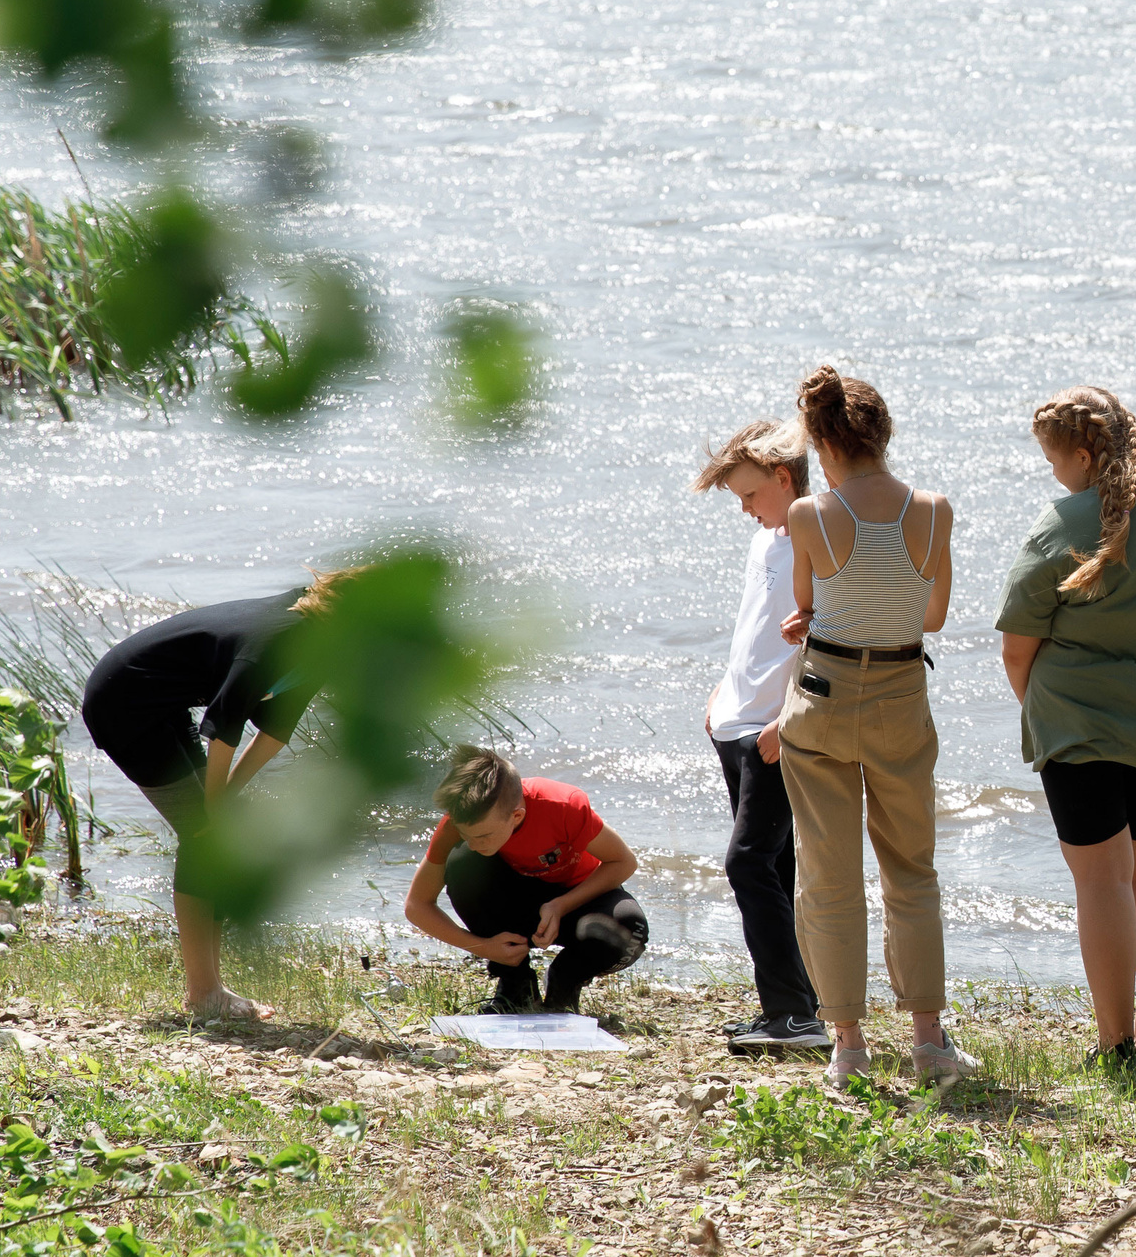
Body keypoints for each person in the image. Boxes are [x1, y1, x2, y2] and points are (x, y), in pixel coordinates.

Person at [764, 365, 975, 1090]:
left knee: (828, 875)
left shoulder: (809, 515)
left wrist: (826, 607)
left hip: (824, 696)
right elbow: (931, 615)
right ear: (882, 435)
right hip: (901, 694)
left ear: (824, 442)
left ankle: (848, 1045)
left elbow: (806, 605)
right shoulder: (935, 509)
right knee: (911, 871)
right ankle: (928, 1040)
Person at [997, 385, 1136, 1065]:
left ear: (1085, 453)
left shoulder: (1061, 523)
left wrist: (1037, 706)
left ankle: (1114, 1042)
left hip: (1079, 725)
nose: (1053, 475)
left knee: (1098, 882)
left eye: (1055, 459)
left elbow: (1016, 644)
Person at [79, 572, 351, 1021]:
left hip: (160, 706)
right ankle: (203, 994)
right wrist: (213, 804)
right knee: (205, 836)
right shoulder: (277, 641)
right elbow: (223, 728)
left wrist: (227, 797)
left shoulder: (317, 643)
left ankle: (212, 988)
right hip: (122, 704)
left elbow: (273, 733)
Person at [690, 419, 829, 1055]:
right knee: (776, 865)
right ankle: (800, 1004)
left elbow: (831, 638)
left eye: (749, 494)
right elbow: (755, 629)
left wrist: (787, 719)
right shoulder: (766, 540)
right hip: (735, 724)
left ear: (782, 478)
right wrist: (722, 691)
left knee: (748, 862)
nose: (744, 509)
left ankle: (794, 1016)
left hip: (776, 732)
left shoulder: (818, 536)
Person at [402, 746, 649, 1014]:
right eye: (466, 834)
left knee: (631, 930)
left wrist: (561, 905)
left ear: (516, 815)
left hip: (581, 900)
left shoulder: (562, 805)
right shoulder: (456, 823)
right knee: (461, 862)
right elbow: (417, 905)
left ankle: (565, 980)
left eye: (483, 836)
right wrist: (484, 948)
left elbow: (624, 862)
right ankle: (516, 985)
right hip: (520, 904)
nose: (473, 843)